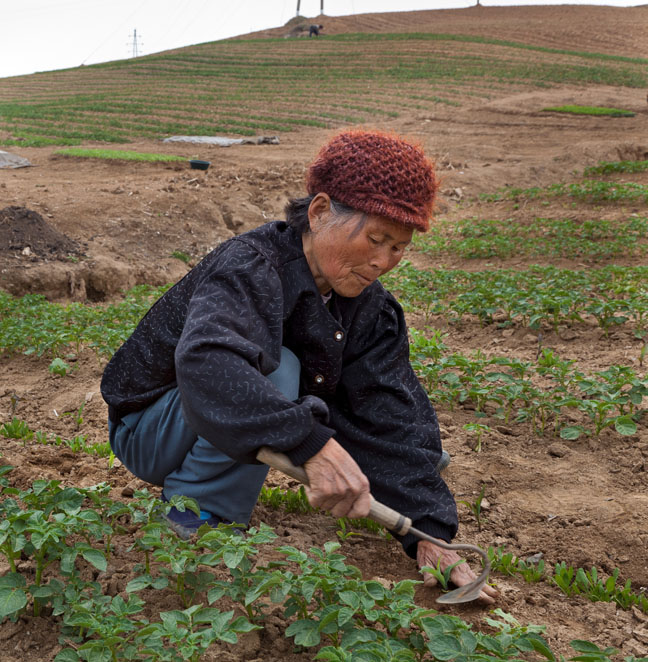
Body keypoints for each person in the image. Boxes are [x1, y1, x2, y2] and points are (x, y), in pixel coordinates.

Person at [100, 129, 497, 603]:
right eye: (375, 238)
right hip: (150, 430)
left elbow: (391, 411)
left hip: (226, 424)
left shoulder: (370, 309)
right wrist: (310, 444)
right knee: (279, 370)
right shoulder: (249, 267)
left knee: (408, 451)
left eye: (398, 247)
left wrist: (429, 531)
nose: (382, 261)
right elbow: (209, 364)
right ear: (320, 211)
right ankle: (195, 520)